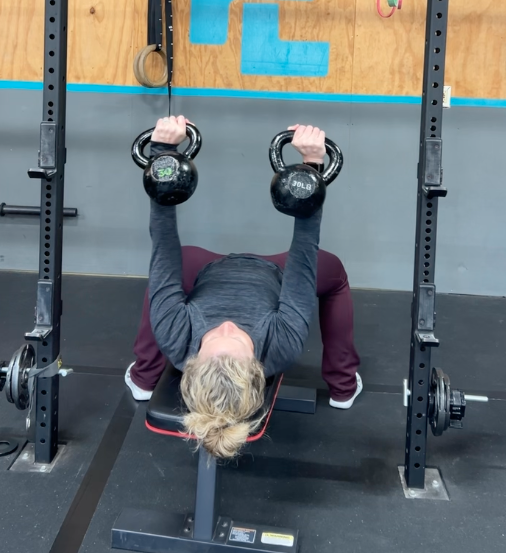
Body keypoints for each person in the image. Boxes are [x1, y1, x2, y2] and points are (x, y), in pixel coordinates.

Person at [125, 115, 361, 459]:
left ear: (191, 361)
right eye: (237, 339)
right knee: (333, 270)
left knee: (166, 271)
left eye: (212, 338)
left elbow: (162, 244)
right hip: (272, 272)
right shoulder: (281, 346)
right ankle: (344, 385)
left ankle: (144, 377)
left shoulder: (176, 338)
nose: (226, 326)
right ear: (258, 366)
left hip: (207, 271)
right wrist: (310, 167)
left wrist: (163, 155)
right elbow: (304, 256)